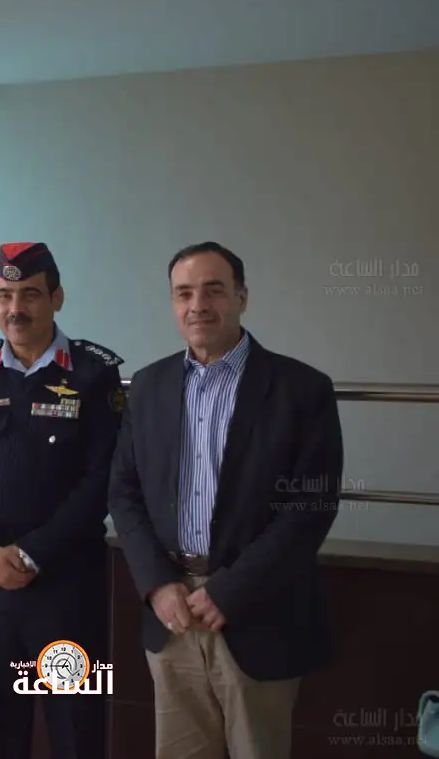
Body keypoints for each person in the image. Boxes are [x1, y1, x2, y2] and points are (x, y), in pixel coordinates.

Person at [108, 241, 343, 759]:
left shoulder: (301, 389)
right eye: (184, 293)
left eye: (214, 290)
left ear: (242, 296)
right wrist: (156, 584)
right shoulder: (147, 387)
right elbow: (123, 493)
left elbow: (311, 507)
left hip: (259, 612)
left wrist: (230, 590)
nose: (198, 305)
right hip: (170, 615)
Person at [0, 242, 124, 759]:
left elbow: (104, 478)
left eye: (30, 295)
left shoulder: (93, 374)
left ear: (57, 298)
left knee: (78, 732)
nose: (15, 308)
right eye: (4, 295)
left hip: (68, 590)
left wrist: (33, 551)